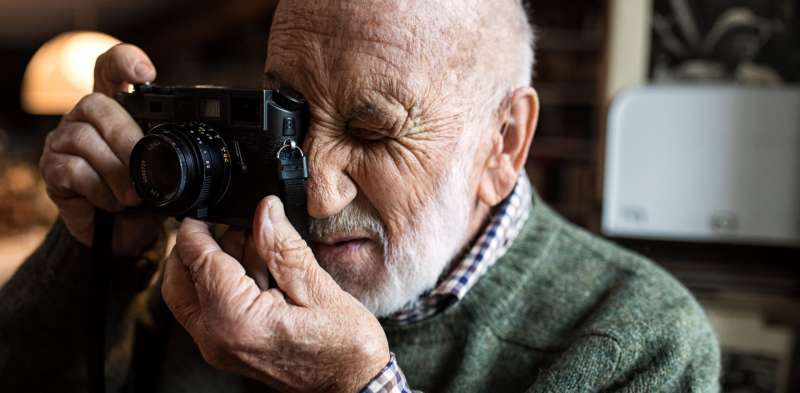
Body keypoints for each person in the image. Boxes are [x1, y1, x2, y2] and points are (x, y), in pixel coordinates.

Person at [0, 0, 720, 392]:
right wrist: (96, 252)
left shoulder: (642, 341)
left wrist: (357, 388)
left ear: (503, 143)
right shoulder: (219, 252)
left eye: (373, 134)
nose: (313, 189)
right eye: (286, 111)